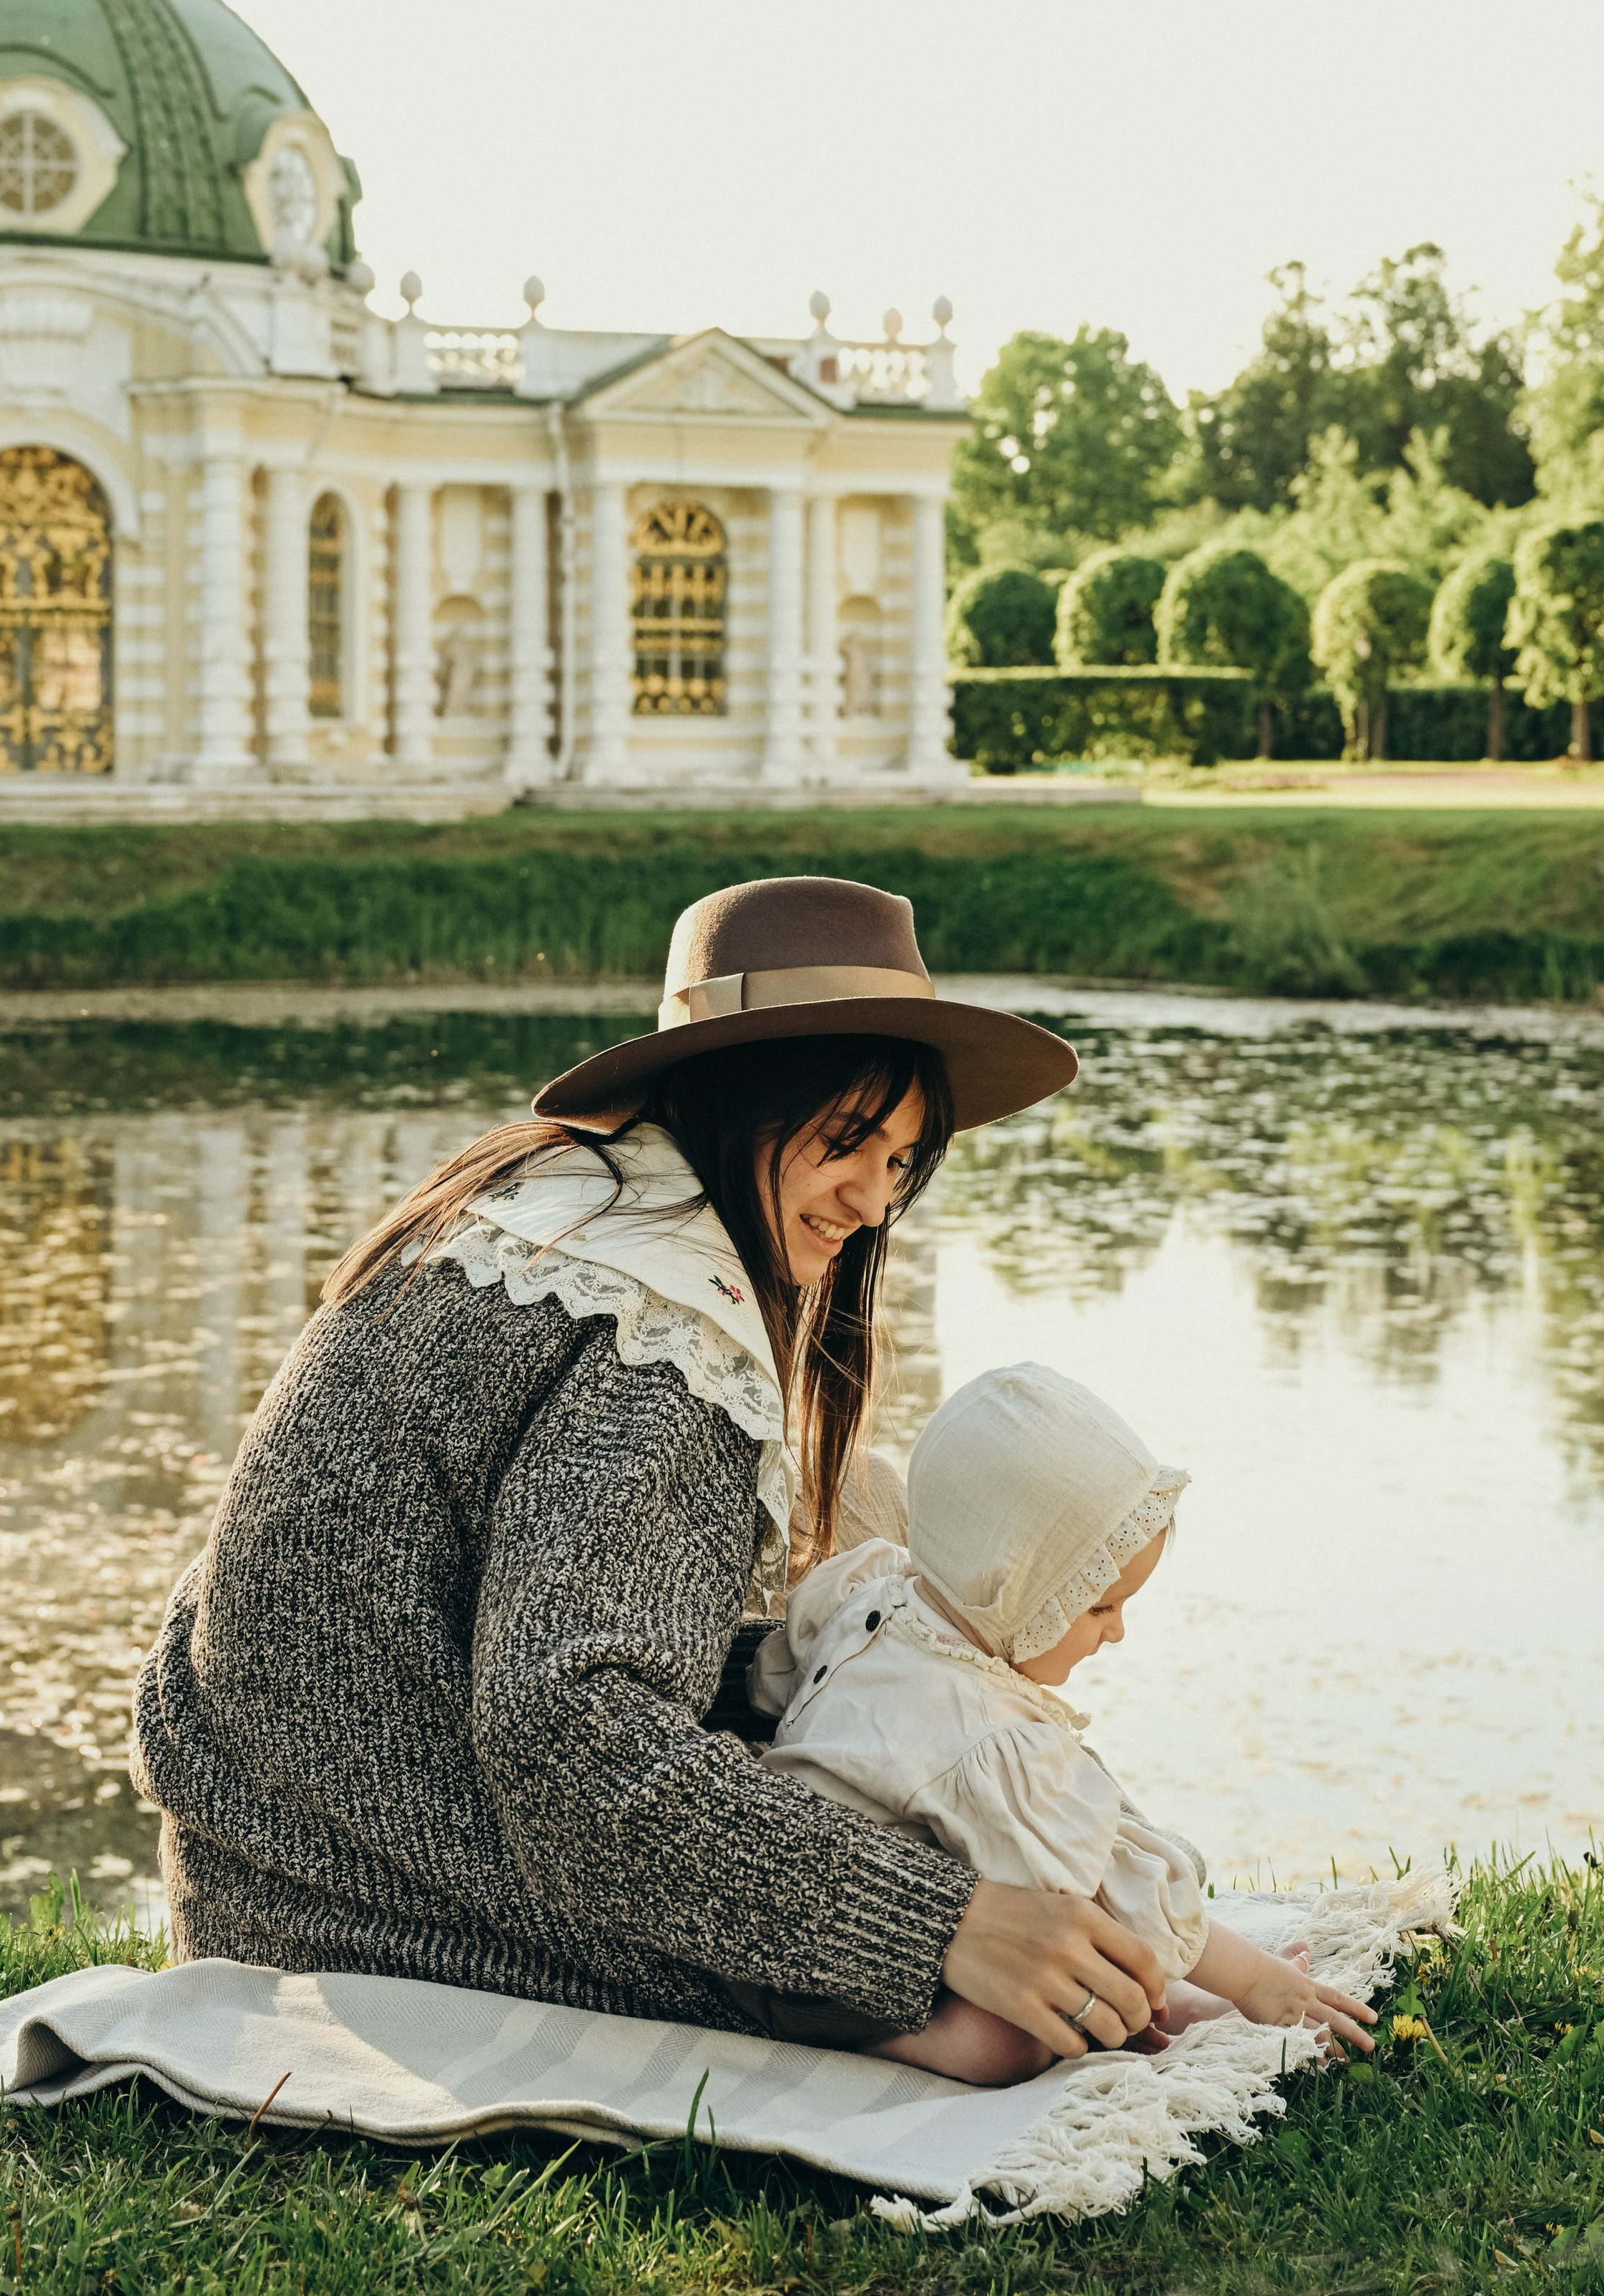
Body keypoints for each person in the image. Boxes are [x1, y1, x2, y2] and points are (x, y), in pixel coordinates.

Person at [130, 875, 1170, 2060]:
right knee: (1010, 2010)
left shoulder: (560, 1201)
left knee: (885, 1644)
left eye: (899, 1160)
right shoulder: (663, 1326)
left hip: (270, 1833)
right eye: (845, 1144)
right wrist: (938, 1923)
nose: (875, 1203)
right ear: (740, 1099)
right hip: (376, 1892)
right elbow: (569, 1735)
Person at [750, 1362, 1379, 2081]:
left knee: (1058, 1942)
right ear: (1012, 1587)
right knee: (1011, 2038)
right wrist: (1256, 1981)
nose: (1114, 1634)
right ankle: (917, 2042)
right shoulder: (980, 1726)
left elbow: (774, 1684)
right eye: (1097, 1607)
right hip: (839, 1965)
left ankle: (1160, 1998)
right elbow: (1110, 1878)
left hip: (804, 1904)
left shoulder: (884, 1597)